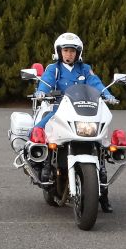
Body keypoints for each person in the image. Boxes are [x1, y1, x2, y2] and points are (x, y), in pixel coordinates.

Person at [33, 32, 119, 212]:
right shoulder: (53, 68)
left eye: (72, 51)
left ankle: (103, 194)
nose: (69, 54)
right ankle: (39, 163)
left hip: (84, 111)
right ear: (59, 51)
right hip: (59, 109)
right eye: (65, 50)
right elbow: (46, 83)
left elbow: (95, 83)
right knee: (38, 130)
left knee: (101, 145)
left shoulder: (85, 69)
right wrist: (41, 91)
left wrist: (107, 94)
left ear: (78, 53)